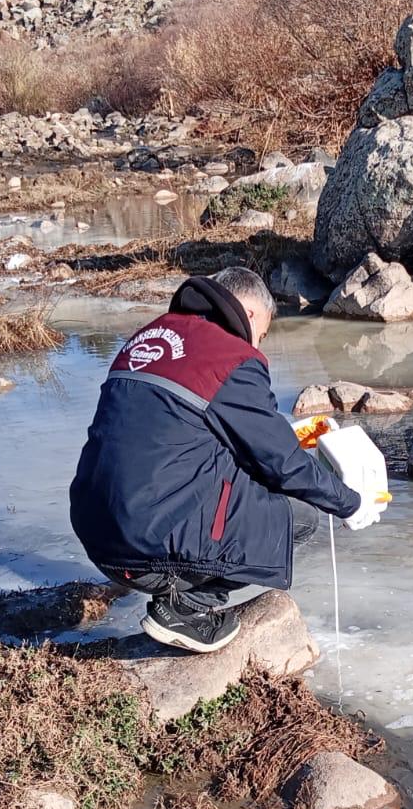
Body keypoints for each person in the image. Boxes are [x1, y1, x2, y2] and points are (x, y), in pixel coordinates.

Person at [70, 267, 385, 653]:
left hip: (96, 534)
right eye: (264, 334)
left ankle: (171, 585)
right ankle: (188, 608)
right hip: (144, 545)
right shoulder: (231, 355)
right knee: (299, 516)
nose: (260, 346)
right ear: (251, 314)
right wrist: (349, 502)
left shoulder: (149, 335)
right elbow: (280, 462)